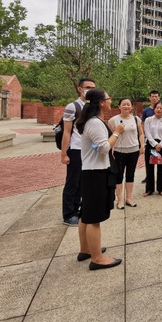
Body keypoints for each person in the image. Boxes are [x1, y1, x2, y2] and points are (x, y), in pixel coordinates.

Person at [76, 88, 124, 270]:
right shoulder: (95, 123)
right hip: (96, 173)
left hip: (90, 172)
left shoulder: (91, 121)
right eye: (108, 98)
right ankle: (97, 258)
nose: (111, 100)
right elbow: (104, 148)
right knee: (94, 217)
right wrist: (117, 132)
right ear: (101, 103)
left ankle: (86, 249)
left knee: (86, 214)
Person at [60, 78, 96, 226]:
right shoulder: (73, 106)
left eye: (93, 88)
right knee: (72, 182)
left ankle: (77, 208)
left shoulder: (92, 107)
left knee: (83, 182)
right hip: (75, 149)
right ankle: (68, 214)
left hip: (89, 150)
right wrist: (64, 153)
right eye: (87, 87)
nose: (90, 90)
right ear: (80, 89)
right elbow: (67, 131)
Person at [108, 98, 144, 209]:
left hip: (134, 151)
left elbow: (141, 134)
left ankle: (128, 198)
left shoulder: (136, 119)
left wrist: (142, 145)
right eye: (124, 104)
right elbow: (110, 136)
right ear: (119, 106)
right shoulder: (113, 121)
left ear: (132, 107)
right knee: (119, 175)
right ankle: (119, 200)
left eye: (128, 104)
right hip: (120, 151)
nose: (126, 106)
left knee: (130, 174)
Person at [143, 101, 162, 197]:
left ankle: (161, 188)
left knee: (161, 168)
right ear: (154, 109)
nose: (159, 110)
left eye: (161, 108)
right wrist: (154, 144)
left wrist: (160, 145)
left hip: (161, 146)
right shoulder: (148, 120)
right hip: (150, 145)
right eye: (157, 108)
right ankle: (149, 189)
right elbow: (147, 133)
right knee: (149, 168)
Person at [141, 90, 161, 184]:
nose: (154, 98)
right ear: (150, 98)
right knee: (148, 160)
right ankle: (148, 177)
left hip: (159, 139)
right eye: (152, 96)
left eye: (156, 96)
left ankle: (159, 178)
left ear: (159, 98)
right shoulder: (146, 110)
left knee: (159, 159)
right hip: (149, 138)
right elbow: (143, 123)